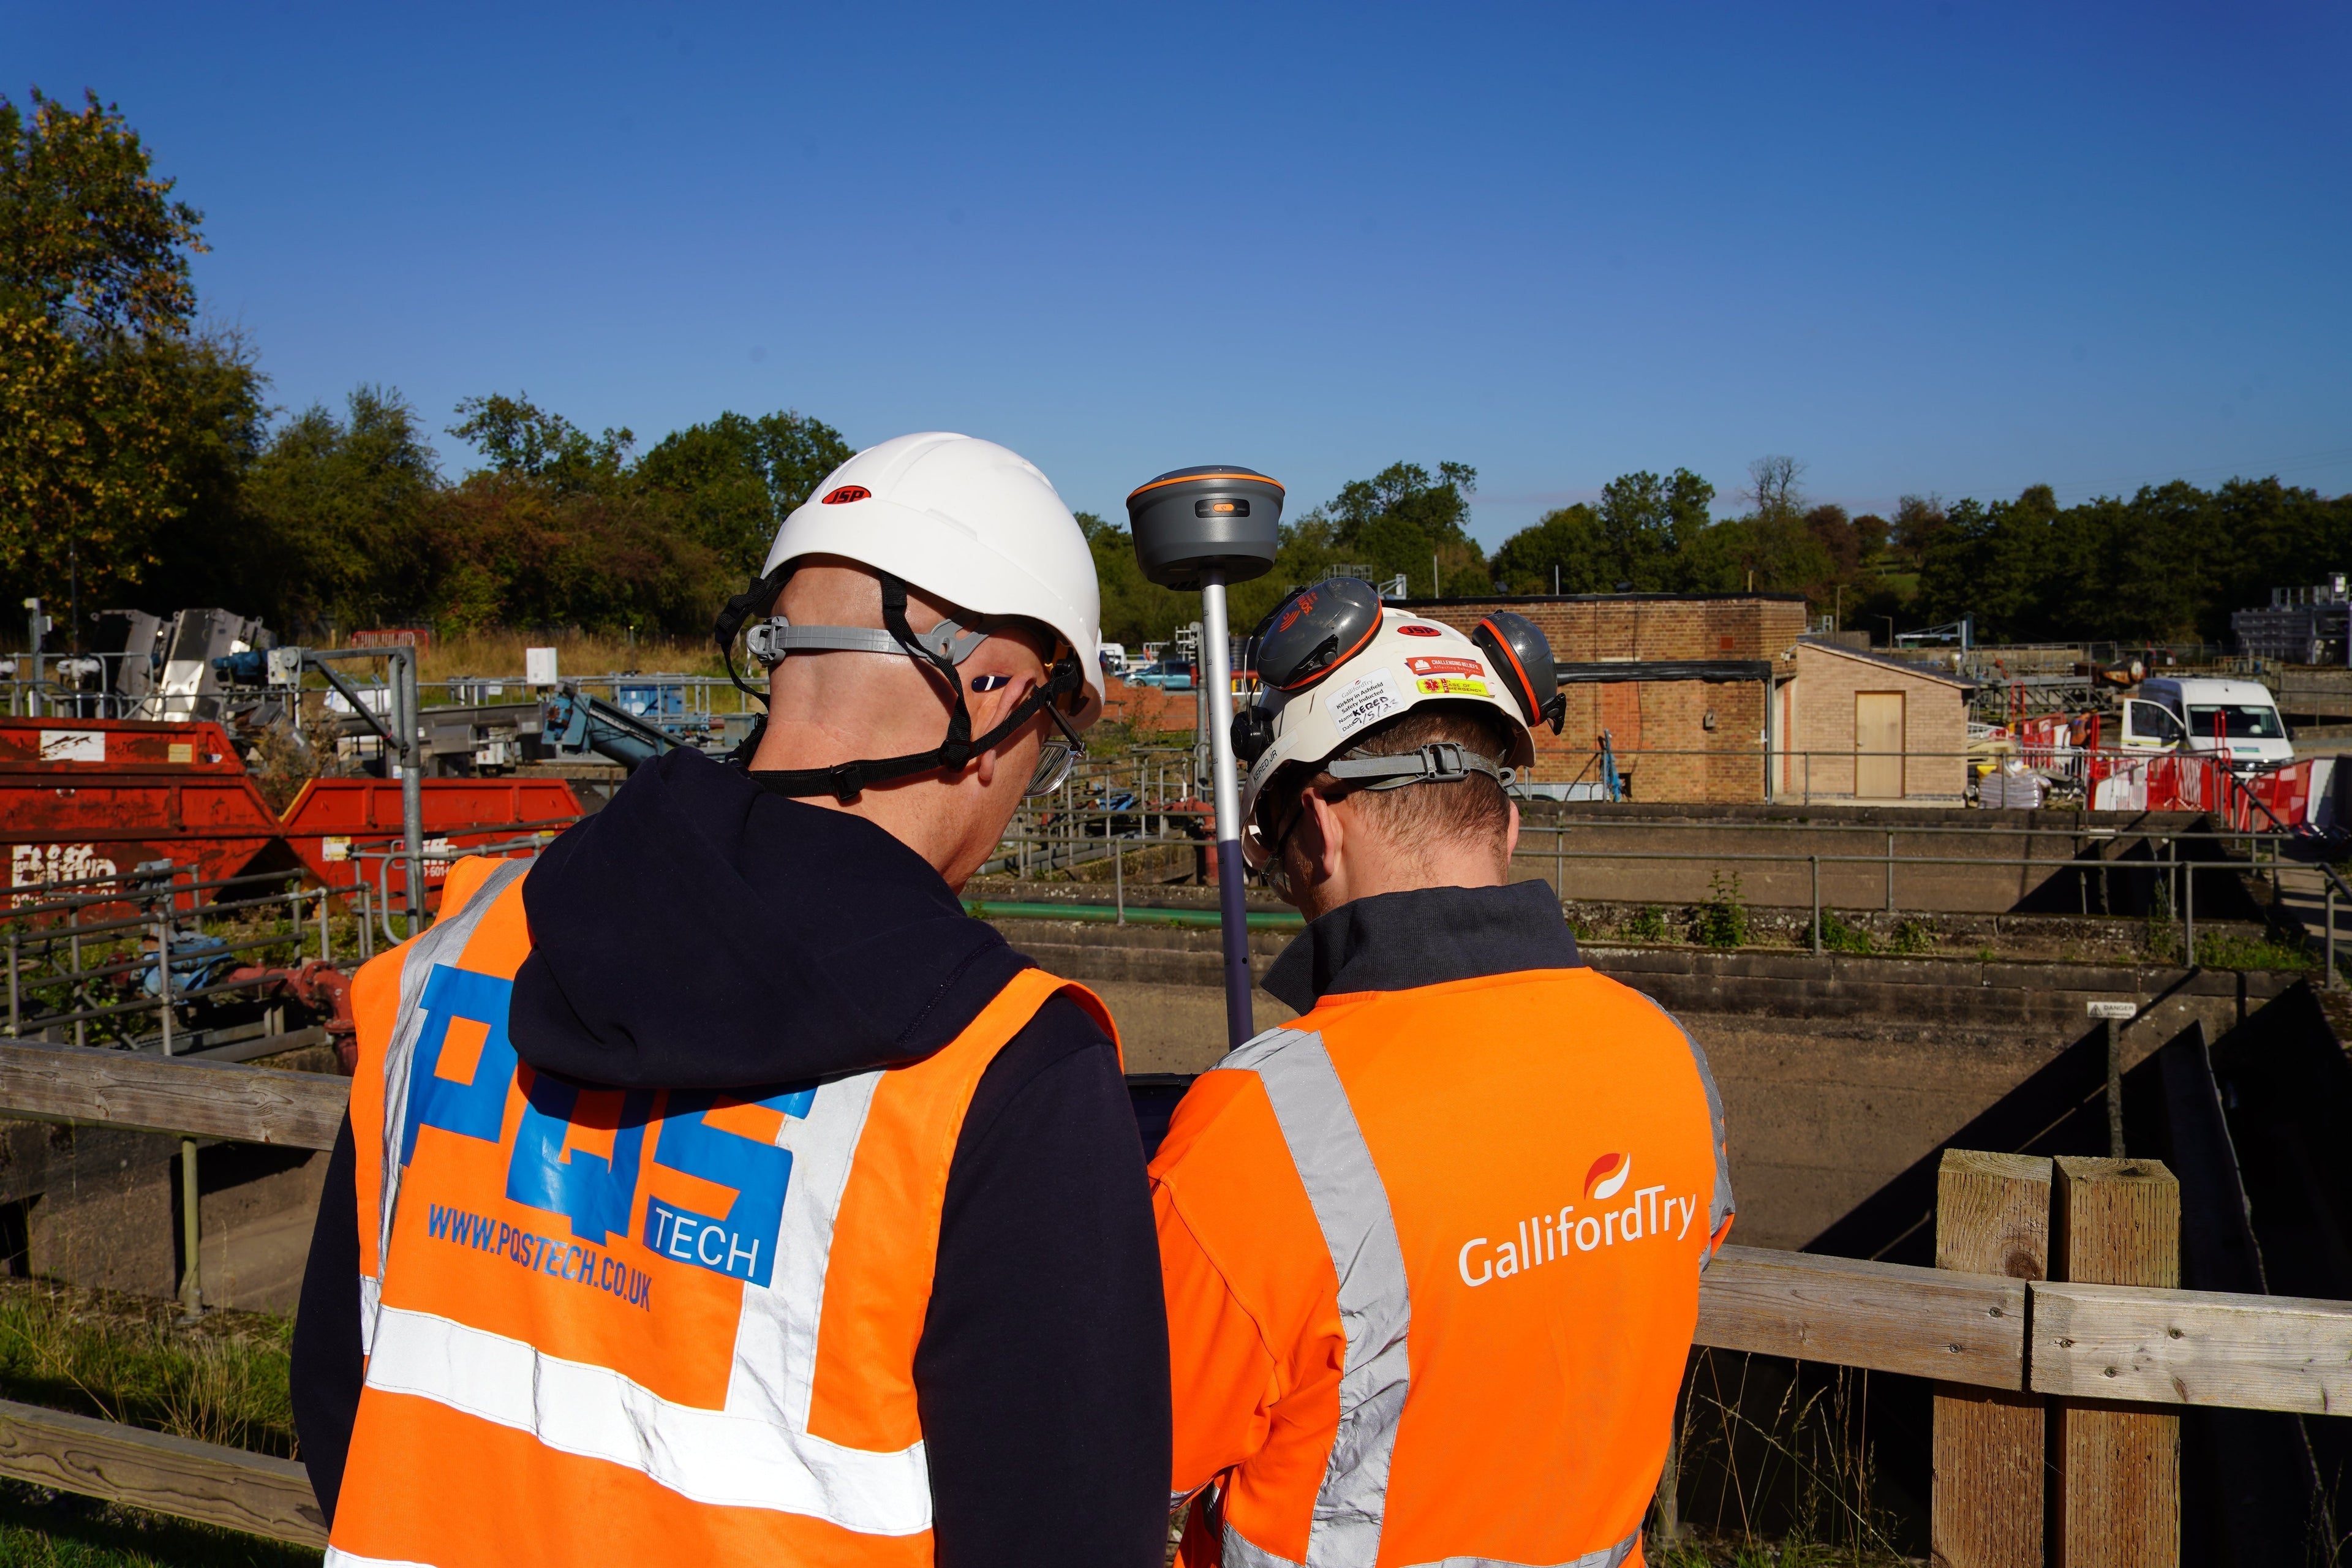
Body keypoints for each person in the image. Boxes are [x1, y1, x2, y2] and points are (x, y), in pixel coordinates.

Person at [292, 432, 1170, 1567]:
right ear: (990, 688)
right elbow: (1069, 1536)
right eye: (1046, 737)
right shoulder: (1002, 1071)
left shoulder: (455, 953)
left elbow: (336, 1398)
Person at [1152, 581, 1734, 1568]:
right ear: (1505, 827)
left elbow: (1127, 1444)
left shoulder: (1261, 1124)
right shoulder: (1668, 1054)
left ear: (1320, 829)